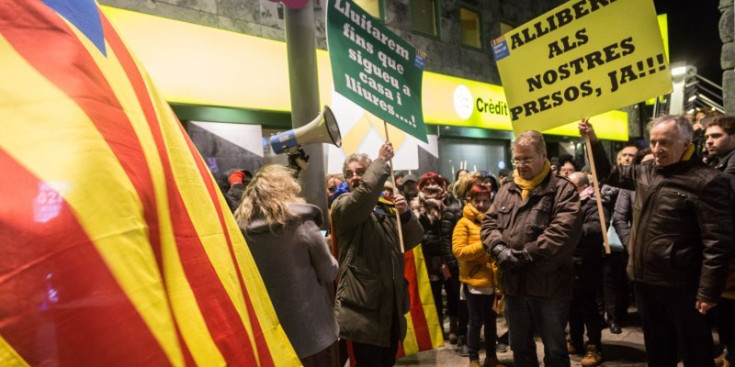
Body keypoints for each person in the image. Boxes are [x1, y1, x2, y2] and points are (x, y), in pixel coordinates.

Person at [580, 116, 734, 367]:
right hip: (645, 282)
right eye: (653, 142)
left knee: (695, 354)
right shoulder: (646, 171)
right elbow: (607, 173)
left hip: (684, 286)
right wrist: (593, 141)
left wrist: (708, 291)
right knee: (659, 353)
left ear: (686, 142)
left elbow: (717, 242)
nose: (657, 149)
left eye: (665, 142)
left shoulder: (709, 181)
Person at [481, 130, 582, 367]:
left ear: (543, 155)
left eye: (526, 159)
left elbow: (562, 233)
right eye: (517, 159)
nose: (521, 164)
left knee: (555, 350)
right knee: (520, 349)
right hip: (514, 285)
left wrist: (526, 254)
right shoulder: (507, 189)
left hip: (550, 286)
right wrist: (498, 249)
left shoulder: (563, 190)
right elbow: (488, 223)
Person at [233, 165, 339, 366]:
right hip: (312, 334)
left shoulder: (241, 231)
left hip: (269, 334)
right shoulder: (301, 225)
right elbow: (328, 272)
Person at [331, 142, 424, 367]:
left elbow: (412, 240)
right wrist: (381, 162)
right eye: (350, 174)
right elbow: (361, 198)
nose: (354, 177)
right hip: (361, 307)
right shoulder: (343, 205)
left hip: (388, 305)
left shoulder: (385, 207)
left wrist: (405, 216)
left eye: (361, 172)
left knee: (386, 361)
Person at [453, 184, 506, 367]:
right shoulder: (463, 223)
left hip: (494, 282)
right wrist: (485, 245)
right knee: (475, 322)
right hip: (474, 283)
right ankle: (473, 359)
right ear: (470, 201)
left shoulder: (496, 220)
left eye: (486, 200)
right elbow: (459, 251)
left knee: (491, 323)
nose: (482, 204)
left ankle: (492, 358)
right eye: (478, 201)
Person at [704, 115, 735, 366]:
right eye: (706, 137)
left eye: (716, 136)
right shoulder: (720, 163)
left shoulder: (731, 166)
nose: (709, 141)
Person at [566, 172, 605, 367]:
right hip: (569, 263)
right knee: (572, 306)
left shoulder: (593, 204)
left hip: (587, 263)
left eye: (571, 186)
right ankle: (575, 340)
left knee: (588, 307)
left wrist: (570, 230)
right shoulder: (568, 205)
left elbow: (596, 229)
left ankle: (594, 346)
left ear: (581, 187)